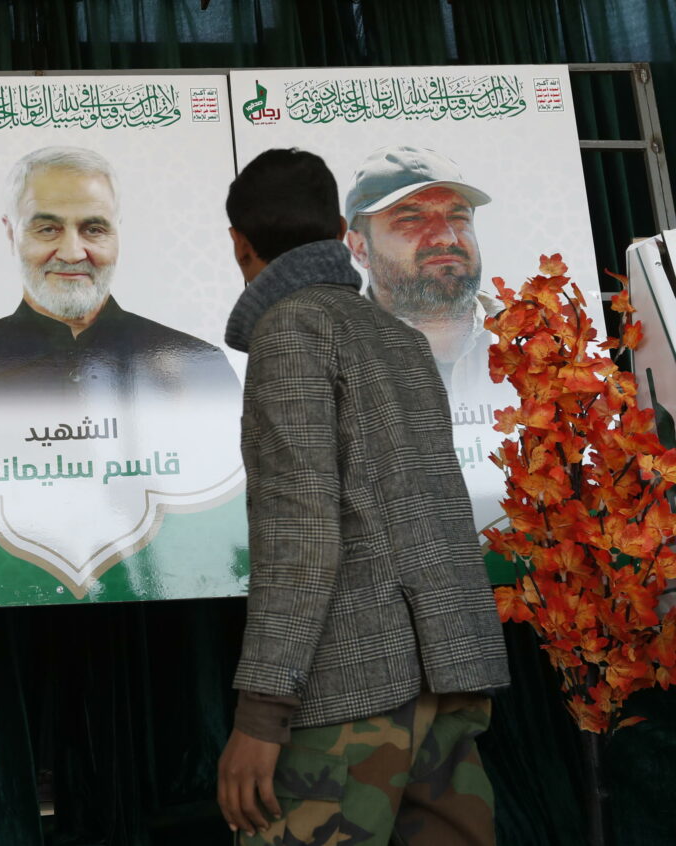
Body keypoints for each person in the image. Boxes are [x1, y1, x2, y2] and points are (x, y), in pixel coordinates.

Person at [217, 148, 509, 845]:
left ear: (240, 244)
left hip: (351, 697)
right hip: (445, 681)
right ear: (336, 232)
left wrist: (261, 714)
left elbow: (302, 531)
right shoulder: (400, 338)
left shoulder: (290, 331)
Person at [0, 146, 237, 413]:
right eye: (47, 229)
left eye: (94, 229)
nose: (72, 253)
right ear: (11, 234)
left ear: (118, 232)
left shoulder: (200, 367)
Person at [343, 145, 498, 393]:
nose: (446, 237)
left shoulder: (542, 341)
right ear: (360, 248)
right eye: (411, 219)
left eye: (458, 217)